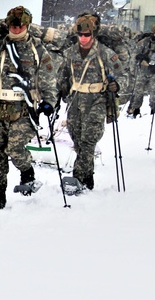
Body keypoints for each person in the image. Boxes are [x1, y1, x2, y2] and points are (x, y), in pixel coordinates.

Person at [0, 7, 58, 209]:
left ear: (27, 26)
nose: (17, 29)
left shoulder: (38, 49)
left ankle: (27, 173)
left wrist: (49, 102)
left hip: (24, 109)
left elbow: (48, 80)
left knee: (16, 148)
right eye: (13, 26)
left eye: (21, 26)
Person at [55, 12, 130, 191]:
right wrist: (58, 94)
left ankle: (77, 178)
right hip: (75, 100)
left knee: (89, 140)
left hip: (97, 100)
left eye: (87, 35)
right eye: (80, 35)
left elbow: (123, 74)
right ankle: (88, 178)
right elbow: (62, 76)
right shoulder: (70, 53)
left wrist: (116, 85)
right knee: (78, 140)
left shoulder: (105, 53)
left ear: (93, 34)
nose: (83, 38)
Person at [127, 23, 155, 117]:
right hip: (143, 70)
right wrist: (139, 60)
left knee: (154, 92)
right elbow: (135, 54)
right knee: (138, 91)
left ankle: (153, 111)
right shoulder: (144, 42)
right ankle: (136, 110)